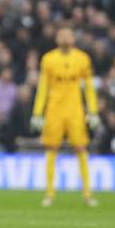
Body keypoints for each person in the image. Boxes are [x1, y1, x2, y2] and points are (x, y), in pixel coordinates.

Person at [30, 26, 100, 207]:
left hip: (75, 109)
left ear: (73, 38)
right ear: (57, 38)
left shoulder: (83, 59)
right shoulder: (48, 59)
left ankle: (87, 194)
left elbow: (89, 87)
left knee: (81, 148)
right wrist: (38, 112)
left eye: (68, 35)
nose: (65, 38)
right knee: (51, 149)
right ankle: (50, 194)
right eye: (62, 35)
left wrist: (93, 110)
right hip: (54, 110)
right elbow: (43, 87)